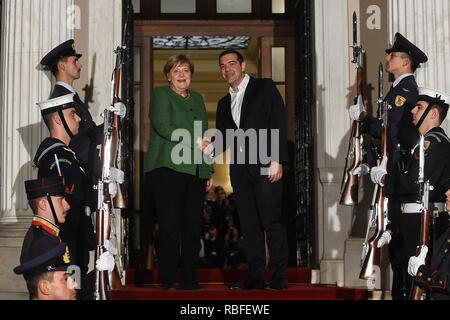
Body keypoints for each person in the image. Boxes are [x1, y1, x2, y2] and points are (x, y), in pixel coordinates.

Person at [349, 33, 428, 299]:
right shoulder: (397, 90)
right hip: (389, 169)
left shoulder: (405, 92)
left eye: (391, 55)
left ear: (406, 62)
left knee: (401, 254)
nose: (386, 58)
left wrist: (363, 118)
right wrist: (370, 160)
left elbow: (391, 132)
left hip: (396, 172)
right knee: (395, 254)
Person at [206, 49, 289, 290]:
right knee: (250, 226)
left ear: (243, 66)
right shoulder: (224, 103)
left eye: (232, 64)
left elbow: (278, 120)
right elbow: (224, 137)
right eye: (223, 66)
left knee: (271, 223)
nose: (227, 69)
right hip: (240, 173)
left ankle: (279, 277)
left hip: (266, 166)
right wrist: (210, 149)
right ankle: (255, 277)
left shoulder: (264, 88)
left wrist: (277, 159)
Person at [371, 88, 450, 299]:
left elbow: (413, 184)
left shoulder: (433, 143)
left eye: (419, 107)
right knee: (404, 281)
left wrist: (385, 178)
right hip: (410, 220)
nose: (413, 111)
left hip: (420, 221)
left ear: (434, 114)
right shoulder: (423, 142)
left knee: (415, 286)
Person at [144, 54, 214, 291]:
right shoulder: (161, 94)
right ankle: (168, 280)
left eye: (185, 70)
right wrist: (194, 141)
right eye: (176, 71)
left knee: (193, 227)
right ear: (168, 76)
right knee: (170, 226)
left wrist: (208, 168)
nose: (182, 75)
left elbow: (204, 134)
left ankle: (190, 280)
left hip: (195, 169)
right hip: (167, 168)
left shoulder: (199, 99)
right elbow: (164, 126)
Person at [33, 93, 97, 299]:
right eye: (72, 114)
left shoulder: (68, 154)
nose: (78, 118)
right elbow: (68, 199)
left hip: (77, 236)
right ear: (58, 119)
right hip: (67, 240)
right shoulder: (56, 156)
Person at [40, 39, 103, 180]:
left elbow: (89, 133)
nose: (80, 65)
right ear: (62, 66)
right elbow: (80, 143)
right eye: (75, 61)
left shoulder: (71, 96)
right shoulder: (62, 98)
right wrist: (100, 172)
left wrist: (113, 120)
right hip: (84, 172)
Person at [14, 176, 77, 300]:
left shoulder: (47, 234)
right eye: (61, 199)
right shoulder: (42, 241)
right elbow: (51, 286)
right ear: (43, 204)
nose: (67, 206)